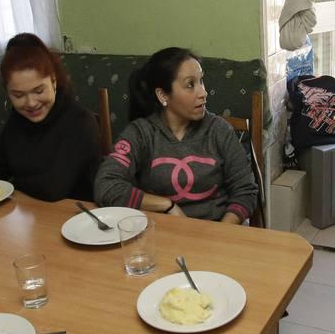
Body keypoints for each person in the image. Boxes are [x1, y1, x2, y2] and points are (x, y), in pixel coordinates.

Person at [94, 47, 257, 223]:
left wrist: (221, 232)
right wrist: (167, 205)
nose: (203, 92)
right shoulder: (140, 134)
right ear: (163, 94)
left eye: (201, 81)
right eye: (190, 85)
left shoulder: (219, 130)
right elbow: (106, 185)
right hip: (162, 236)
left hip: (217, 235)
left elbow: (246, 190)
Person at [0, 33, 100, 202]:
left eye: (39, 91)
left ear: (53, 82)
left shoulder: (81, 122)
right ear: (7, 92)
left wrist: (11, 182)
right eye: (18, 95)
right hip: (29, 212)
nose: (31, 103)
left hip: (76, 216)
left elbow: (53, 189)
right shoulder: (18, 120)